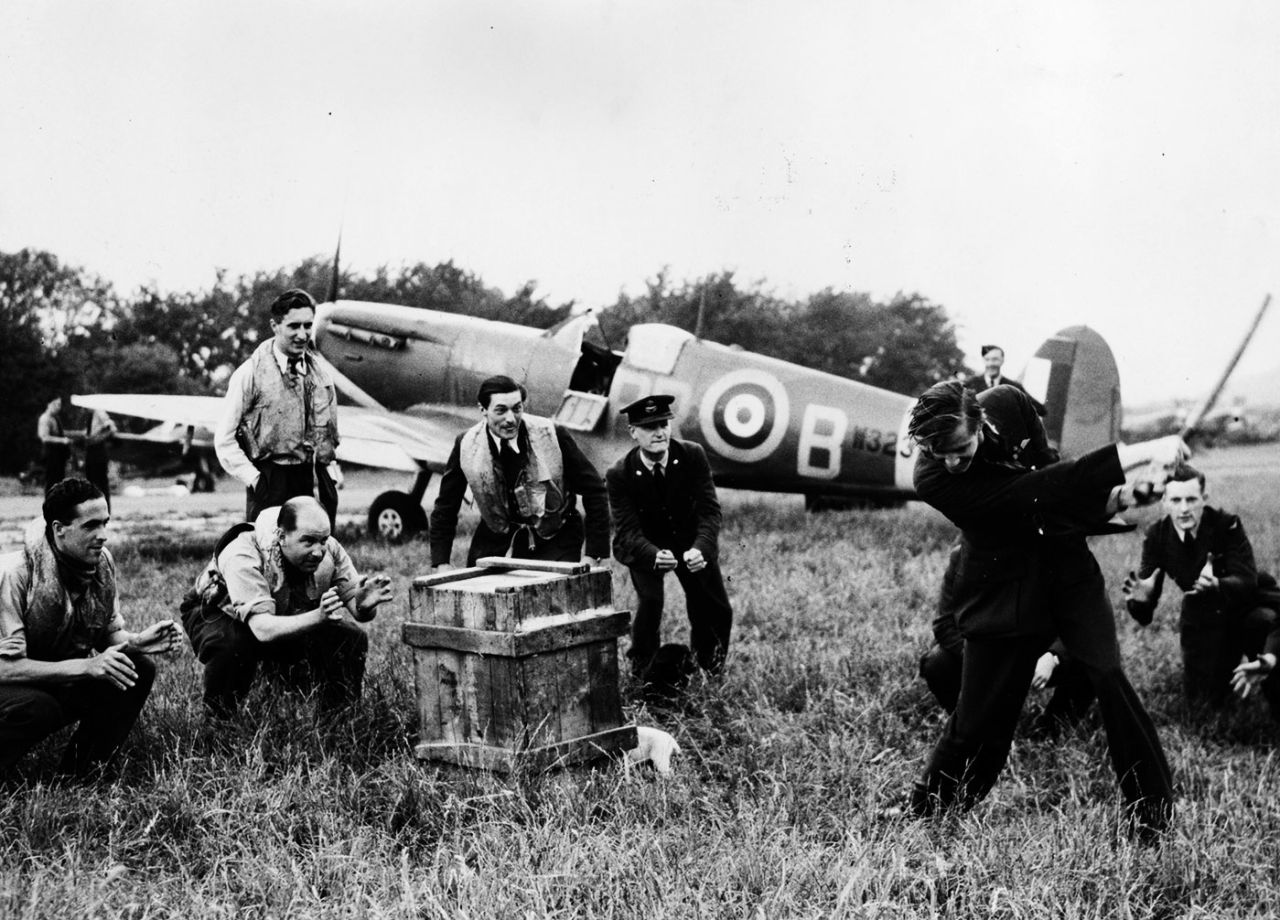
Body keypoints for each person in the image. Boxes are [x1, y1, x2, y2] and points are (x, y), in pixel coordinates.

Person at [903, 380, 1181, 839]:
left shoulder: (1010, 403)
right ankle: (927, 810)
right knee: (975, 724)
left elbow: (1054, 477)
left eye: (958, 448)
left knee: (1108, 676)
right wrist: (1133, 455)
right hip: (1001, 592)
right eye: (938, 451)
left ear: (978, 418)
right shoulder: (932, 478)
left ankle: (1151, 819)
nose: (950, 461)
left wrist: (1119, 498)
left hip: (1066, 572)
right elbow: (1032, 493)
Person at [0, 478, 179, 776]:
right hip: (11, 682)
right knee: (37, 707)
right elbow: (6, 669)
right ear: (59, 529)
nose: (103, 535)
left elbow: (109, 636)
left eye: (105, 523)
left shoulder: (98, 564)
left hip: (45, 676)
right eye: (90, 526)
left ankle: (83, 774)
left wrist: (137, 643)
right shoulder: (15, 575)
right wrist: (87, 666)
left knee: (137, 667)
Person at [180, 497, 392, 718]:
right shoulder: (243, 553)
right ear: (282, 536)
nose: (319, 551)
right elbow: (263, 630)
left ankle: (340, 720)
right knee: (233, 643)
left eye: (323, 540)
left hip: (281, 614)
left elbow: (359, 612)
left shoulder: (330, 550)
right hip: (216, 611)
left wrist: (364, 605)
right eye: (308, 541)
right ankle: (219, 722)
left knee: (350, 638)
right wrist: (318, 616)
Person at [1123, 464, 1280, 716]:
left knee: (1266, 631)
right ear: (1164, 501)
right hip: (1204, 617)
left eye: (1191, 499)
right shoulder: (1157, 536)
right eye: (1175, 500)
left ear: (1203, 500)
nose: (1184, 509)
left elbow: (1246, 580)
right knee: (1203, 701)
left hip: (1247, 606)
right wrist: (1143, 600)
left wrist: (1218, 584)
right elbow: (1144, 613)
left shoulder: (1226, 524)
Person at [606, 395, 733, 676]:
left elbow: (710, 511)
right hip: (644, 546)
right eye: (649, 427)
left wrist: (701, 548)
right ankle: (644, 671)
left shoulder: (691, 455)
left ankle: (707, 669)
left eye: (663, 424)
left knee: (714, 606)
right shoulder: (619, 473)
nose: (659, 432)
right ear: (633, 432)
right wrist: (653, 554)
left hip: (690, 541)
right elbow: (627, 529)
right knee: (650, 602)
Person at [429, 375, 610, 570]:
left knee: (550, 597)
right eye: (500, 410)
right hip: (495, 539)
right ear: (483, 410)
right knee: (484, 596)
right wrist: (441, 562)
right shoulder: (465, 444)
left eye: (517, 408)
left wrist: (594, 553)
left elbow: (595, 490)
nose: (510, 419)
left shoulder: (552, 435)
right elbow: (446, 507)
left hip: (556, 538)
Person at [919, 543, 1095, 732]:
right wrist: (980, 659)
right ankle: (971, 726)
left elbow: (1078, 619)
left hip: (1034, 649)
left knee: (1093, 658)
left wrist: (1053, 656)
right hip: (982, 650)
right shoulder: (962, 556)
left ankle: (1052, 730)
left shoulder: (1049, 552)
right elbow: (944, 623)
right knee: (937, 662)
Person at [214, 289, 342, 527]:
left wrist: (329, 480)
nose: (302, 334)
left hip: (306, 478)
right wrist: (255, 480)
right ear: (275, 326)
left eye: (308, 326)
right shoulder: (249, 373)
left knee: (308, 553)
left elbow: (328, 437)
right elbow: (224, 439)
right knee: (267, 551)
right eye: (294, 326)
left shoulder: (321, 375)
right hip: (268, 478)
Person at [82, 408, 118, 511]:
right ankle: (94, 509)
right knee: (91, 482)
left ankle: (105, 509)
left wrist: (100, 437)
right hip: (91, 449)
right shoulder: (90, 415)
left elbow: (111, 427)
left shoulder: (99, 412)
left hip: (98, 450)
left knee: (101, 483)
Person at [36, 398, 72, 494]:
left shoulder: (55, 418)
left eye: (59, 405)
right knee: (51, 482)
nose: (58, 407)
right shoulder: (45, 418)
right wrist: (62, 440)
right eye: (56, 404)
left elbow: (61, 433)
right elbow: (44, 437)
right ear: (49, 404)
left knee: (59, 482)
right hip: (51, 454)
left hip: (58, 455)